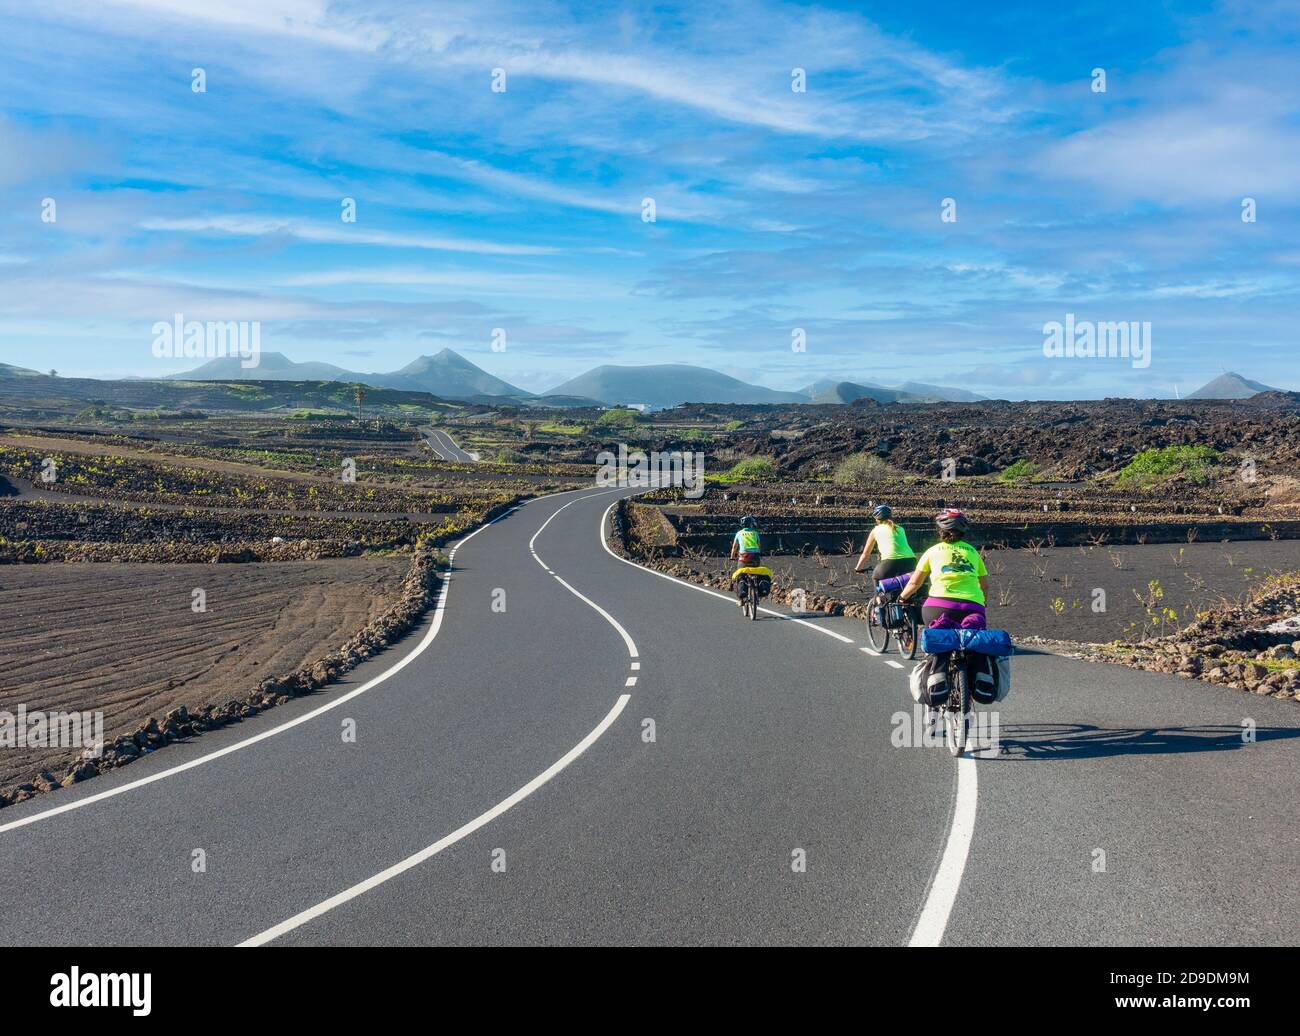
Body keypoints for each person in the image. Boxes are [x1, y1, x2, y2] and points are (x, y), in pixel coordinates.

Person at [898, 509, 988, 630]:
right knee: (972, 641)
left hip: (939, 606)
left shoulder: (932, 551)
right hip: (972, 607)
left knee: (939, 640)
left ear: (940, 530)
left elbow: (915, 583)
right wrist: (983, 604)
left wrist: (902, 598)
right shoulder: (973, 552)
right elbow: (984, 586)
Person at [853, 504, 916, 584]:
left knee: (876, 578)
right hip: (911, 561)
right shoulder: (900, 529)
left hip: (890, 563)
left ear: (877, 518)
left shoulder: (875, 531)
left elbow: (866, 554)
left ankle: (879, 596)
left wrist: (858, 568)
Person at [730, 516, 763, 608]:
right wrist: (758, 553)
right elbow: (759, 546)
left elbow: (734, 547)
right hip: (755, 557)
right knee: (756, 573)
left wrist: (732, 557)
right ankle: (757, 592)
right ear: (751, 524)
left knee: (740, 576)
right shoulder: (755, 533)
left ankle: (740, 600)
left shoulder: (739, 533)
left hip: (743, 558)